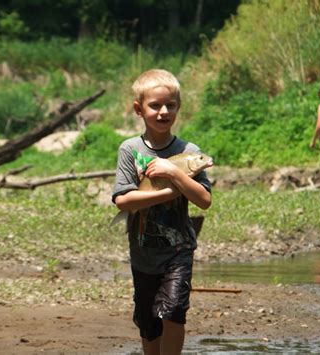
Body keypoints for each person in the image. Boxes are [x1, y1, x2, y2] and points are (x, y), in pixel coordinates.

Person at [112, 69, 212, 354]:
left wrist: (173, 172)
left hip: (179, 250)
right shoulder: (130, 149)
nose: (163, 111)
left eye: (170, 105)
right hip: (143, 251)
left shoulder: (188, 150)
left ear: (179, 107)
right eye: (155, 105)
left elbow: (204, 200)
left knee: (174, 312)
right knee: (148, 322)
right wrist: (169, 192)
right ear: (138, 109)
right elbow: (123, 201)